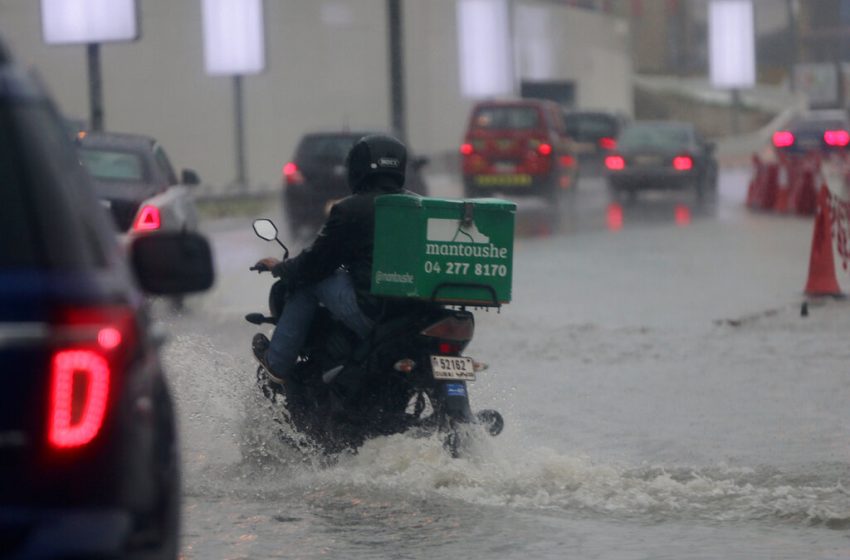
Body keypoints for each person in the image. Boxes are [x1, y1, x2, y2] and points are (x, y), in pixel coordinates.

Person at [253, 133, 411, 386]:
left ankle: (278, 363)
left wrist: (281, 267)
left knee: (309, 282)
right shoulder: (420, 208)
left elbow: (315, 264)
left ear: (358, 168)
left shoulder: (351, 208)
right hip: (419, 314)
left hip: (375, 313)